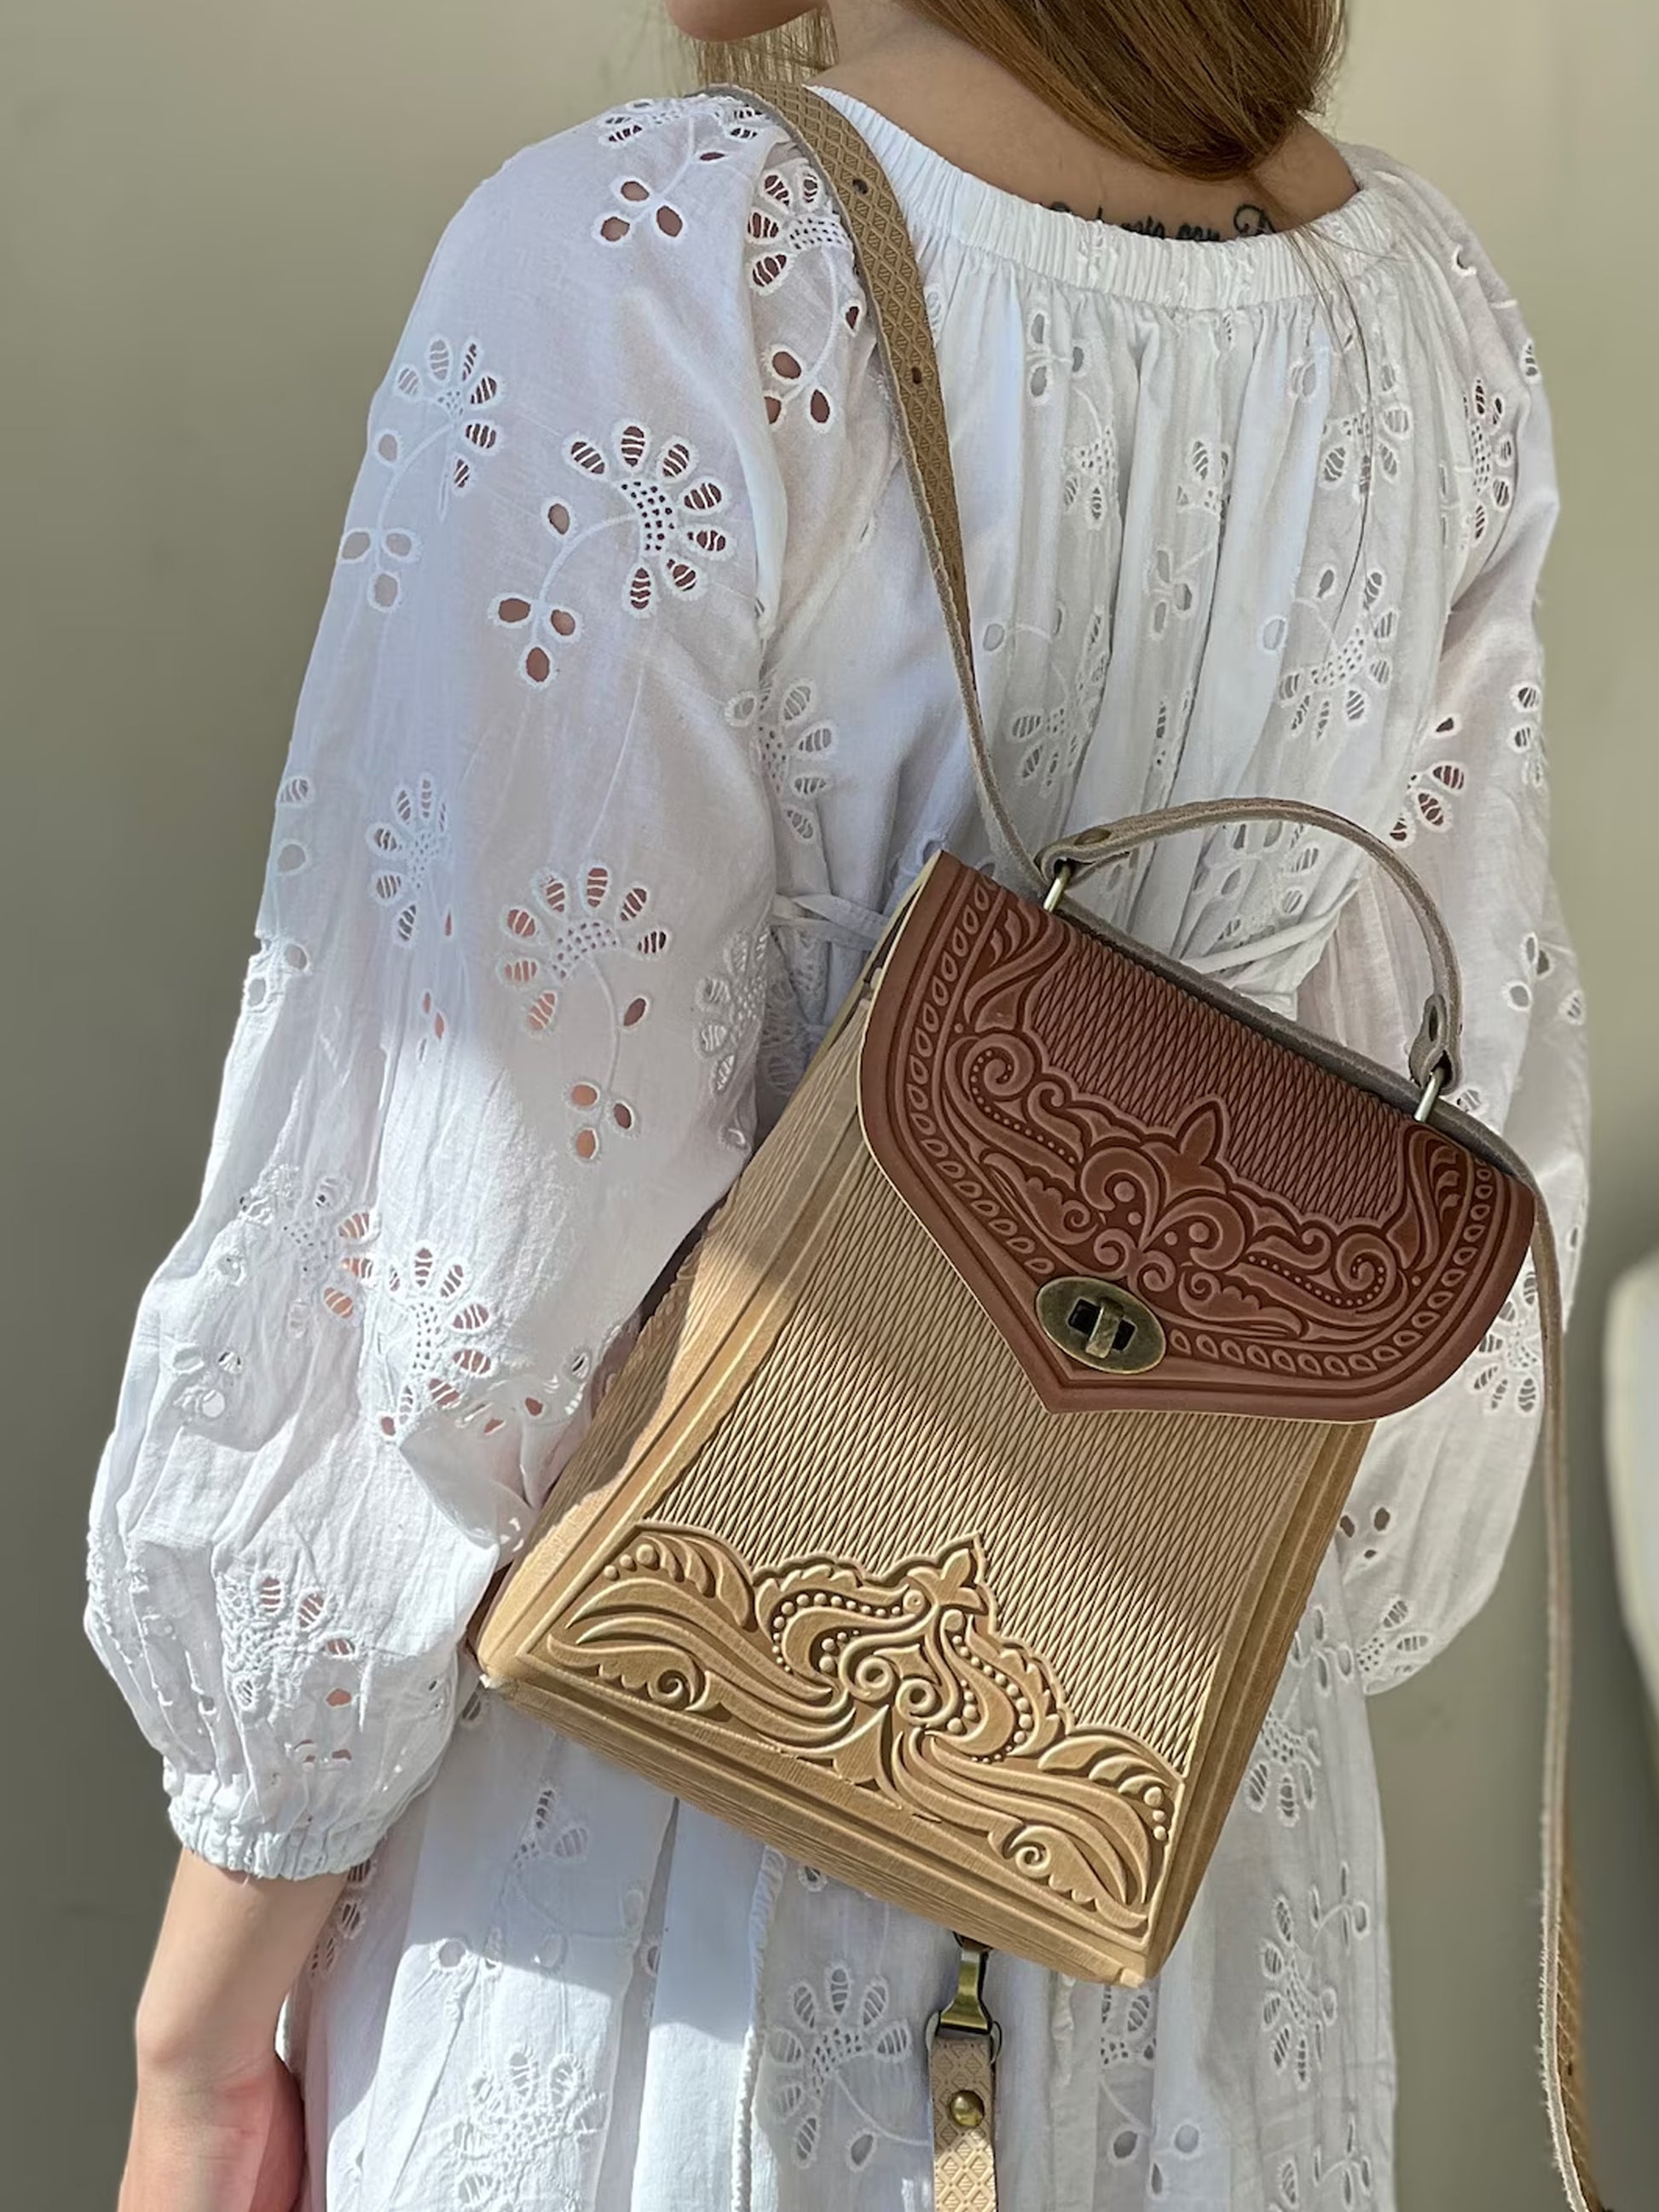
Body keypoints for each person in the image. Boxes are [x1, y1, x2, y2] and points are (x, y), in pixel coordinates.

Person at [89, 2, 1591, 2207]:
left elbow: (460, 1269)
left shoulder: (659, 256)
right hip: (1154, 1831)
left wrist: (202, 2032)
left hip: (668, 1864)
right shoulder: (1425, 316)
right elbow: (1439, 1154)